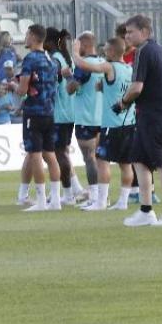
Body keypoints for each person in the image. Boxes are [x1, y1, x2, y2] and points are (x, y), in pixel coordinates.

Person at [115, 15, 162, 226]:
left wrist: (122, 103)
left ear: (145, 32)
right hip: (151, 114)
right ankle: (146, 211)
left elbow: (137, 87)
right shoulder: (160, 50)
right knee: (139, 159)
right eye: (126, 32)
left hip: (156, 115)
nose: (127, 36)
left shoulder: (143, 51)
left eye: (131, 32)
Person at [78, 36, 137, 210]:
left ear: (112, 51)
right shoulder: (129, 69)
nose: (104, 53)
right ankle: (123, 202)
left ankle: (101, 202)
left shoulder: (110, 66)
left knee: (102, 160)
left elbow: (87, 66)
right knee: (126, 164)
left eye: (106, 50)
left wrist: (75, 53)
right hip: (129, 123)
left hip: (112, 124)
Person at [17, 24, 62, 212]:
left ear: (34, 37)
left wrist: (15, 88)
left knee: (35, 155)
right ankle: (56, 200)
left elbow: (23, 89)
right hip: (50, 112)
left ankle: (42, 200)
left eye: (27, 35)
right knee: (50, 155)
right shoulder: (51, 60)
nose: (25, 38)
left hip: (34, 112)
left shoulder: (30, 59)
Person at [70, 32, 107, 209]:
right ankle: (103, 196)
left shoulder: (83, 66)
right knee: (101, 159)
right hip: (103, 117)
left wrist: (67, 76)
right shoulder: (103, 63)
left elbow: (71, 89)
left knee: (89, 158)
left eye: (77, 45)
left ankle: (94, 195)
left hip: (86, 117)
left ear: (84, 45)